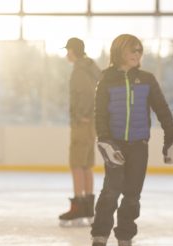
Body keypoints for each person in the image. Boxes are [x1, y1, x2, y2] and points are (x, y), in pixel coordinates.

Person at [91, 34, 173, 246]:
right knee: (111, 191)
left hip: (139, 146)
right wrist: (104, 139)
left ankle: (125, 235)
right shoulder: (106, 80)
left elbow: (162, 109)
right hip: (115, 146)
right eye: (132, 50)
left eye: (140, 51)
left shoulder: (147, 79)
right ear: (119, 51)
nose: (137, 54)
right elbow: (100, 114)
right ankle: (100, 232)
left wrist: (171, 134)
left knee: (132, 194)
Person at [58, 38, 101, 226]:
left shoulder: (79, 70)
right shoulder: (90, 67)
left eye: (68, 50)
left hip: (83, 123)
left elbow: (85, 93)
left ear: (72, 51)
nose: (67, 54)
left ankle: (78, 207)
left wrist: (82, 115)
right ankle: (88, 207)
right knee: (86, 164)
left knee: (76, 163)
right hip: (92, 123)